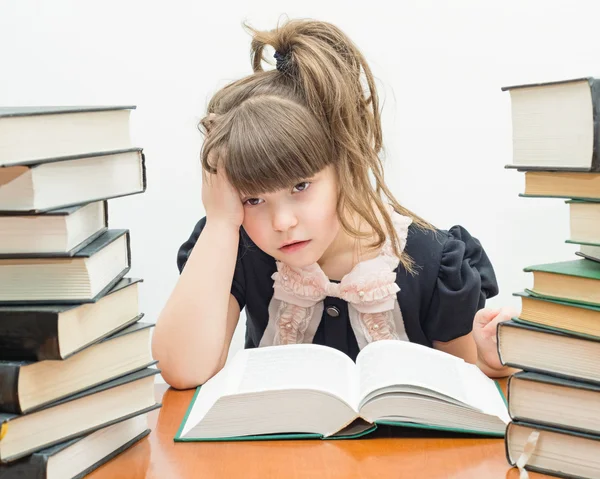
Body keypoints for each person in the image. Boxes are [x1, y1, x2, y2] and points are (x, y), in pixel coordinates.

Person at [152, 18, 518, 390]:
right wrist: (219, 222)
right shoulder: (237, 247)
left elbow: (463, 396)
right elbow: (183, 369)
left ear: (345, 159)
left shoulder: (437, 263)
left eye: (300, 186)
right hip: (271, 449)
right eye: (254, 198)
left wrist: (493, 364)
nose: (281, 221)